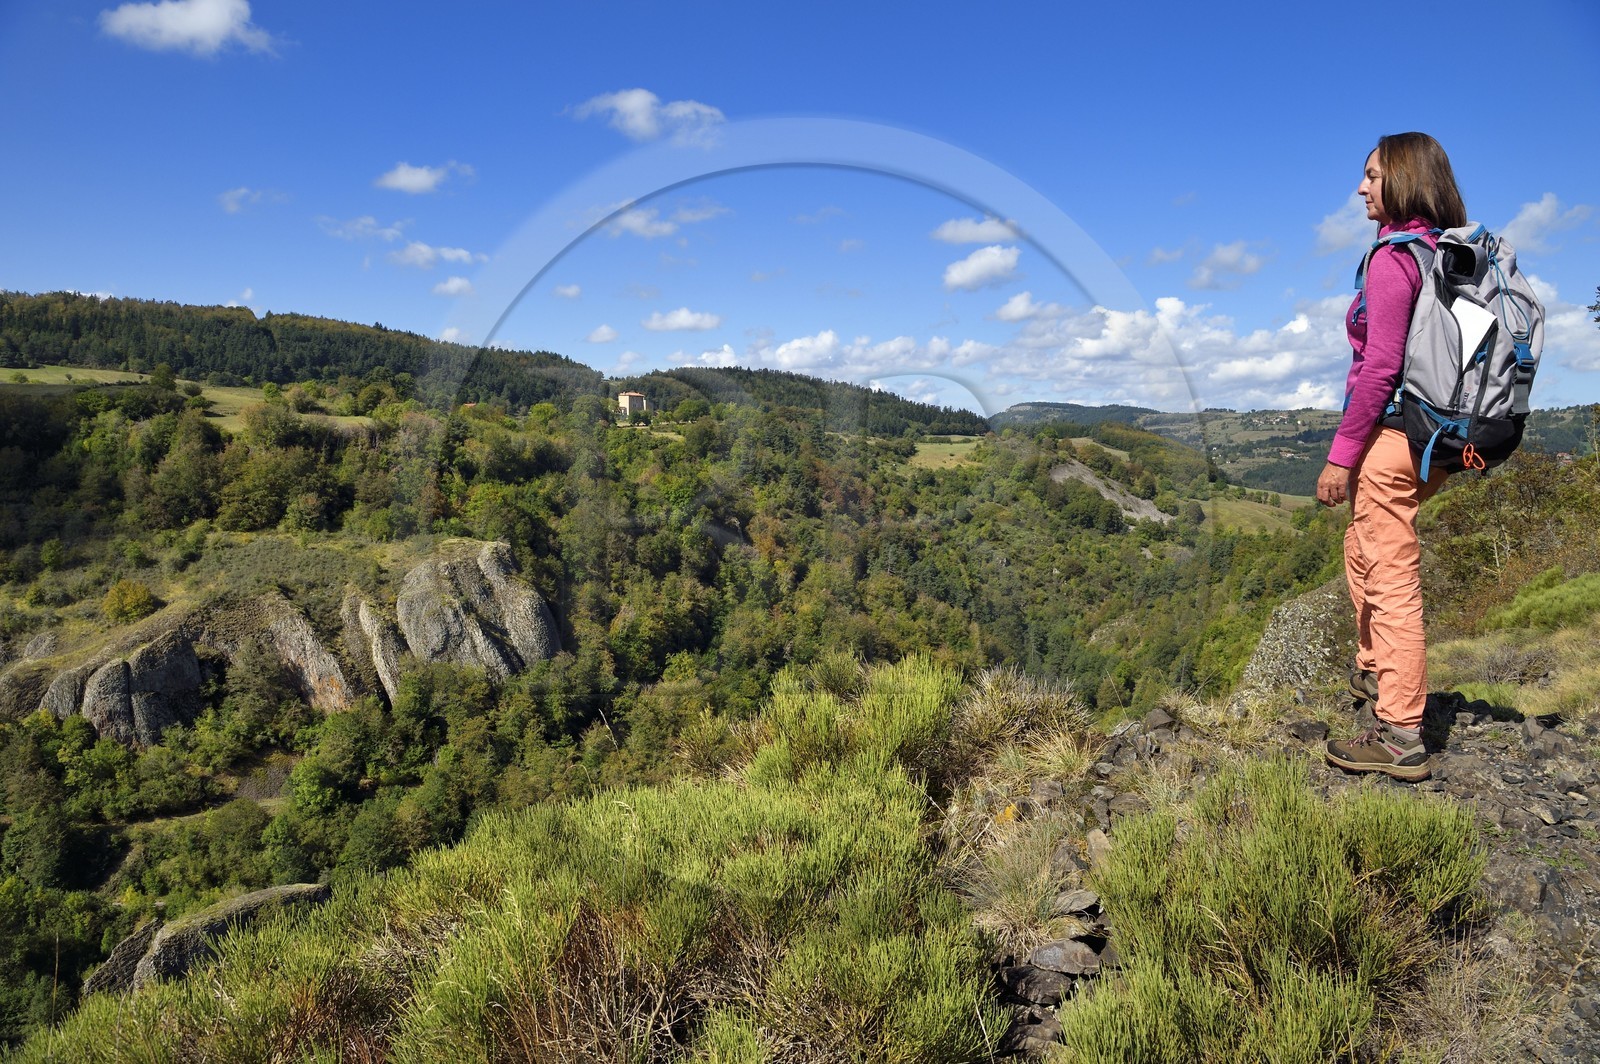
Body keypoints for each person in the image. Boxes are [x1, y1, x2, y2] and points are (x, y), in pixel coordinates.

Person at [1318, 132, 1467, 783]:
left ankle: (1401, 730)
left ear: (1402, 180)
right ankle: (1376, 667)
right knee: (1363, 547)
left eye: (1372, 175)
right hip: (1442, 439)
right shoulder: (1448, 255)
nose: (1361, 187)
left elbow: (1379, 368)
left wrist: (1340, 456)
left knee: (1389, 570)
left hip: (1394, 437)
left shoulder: (1392, 259)